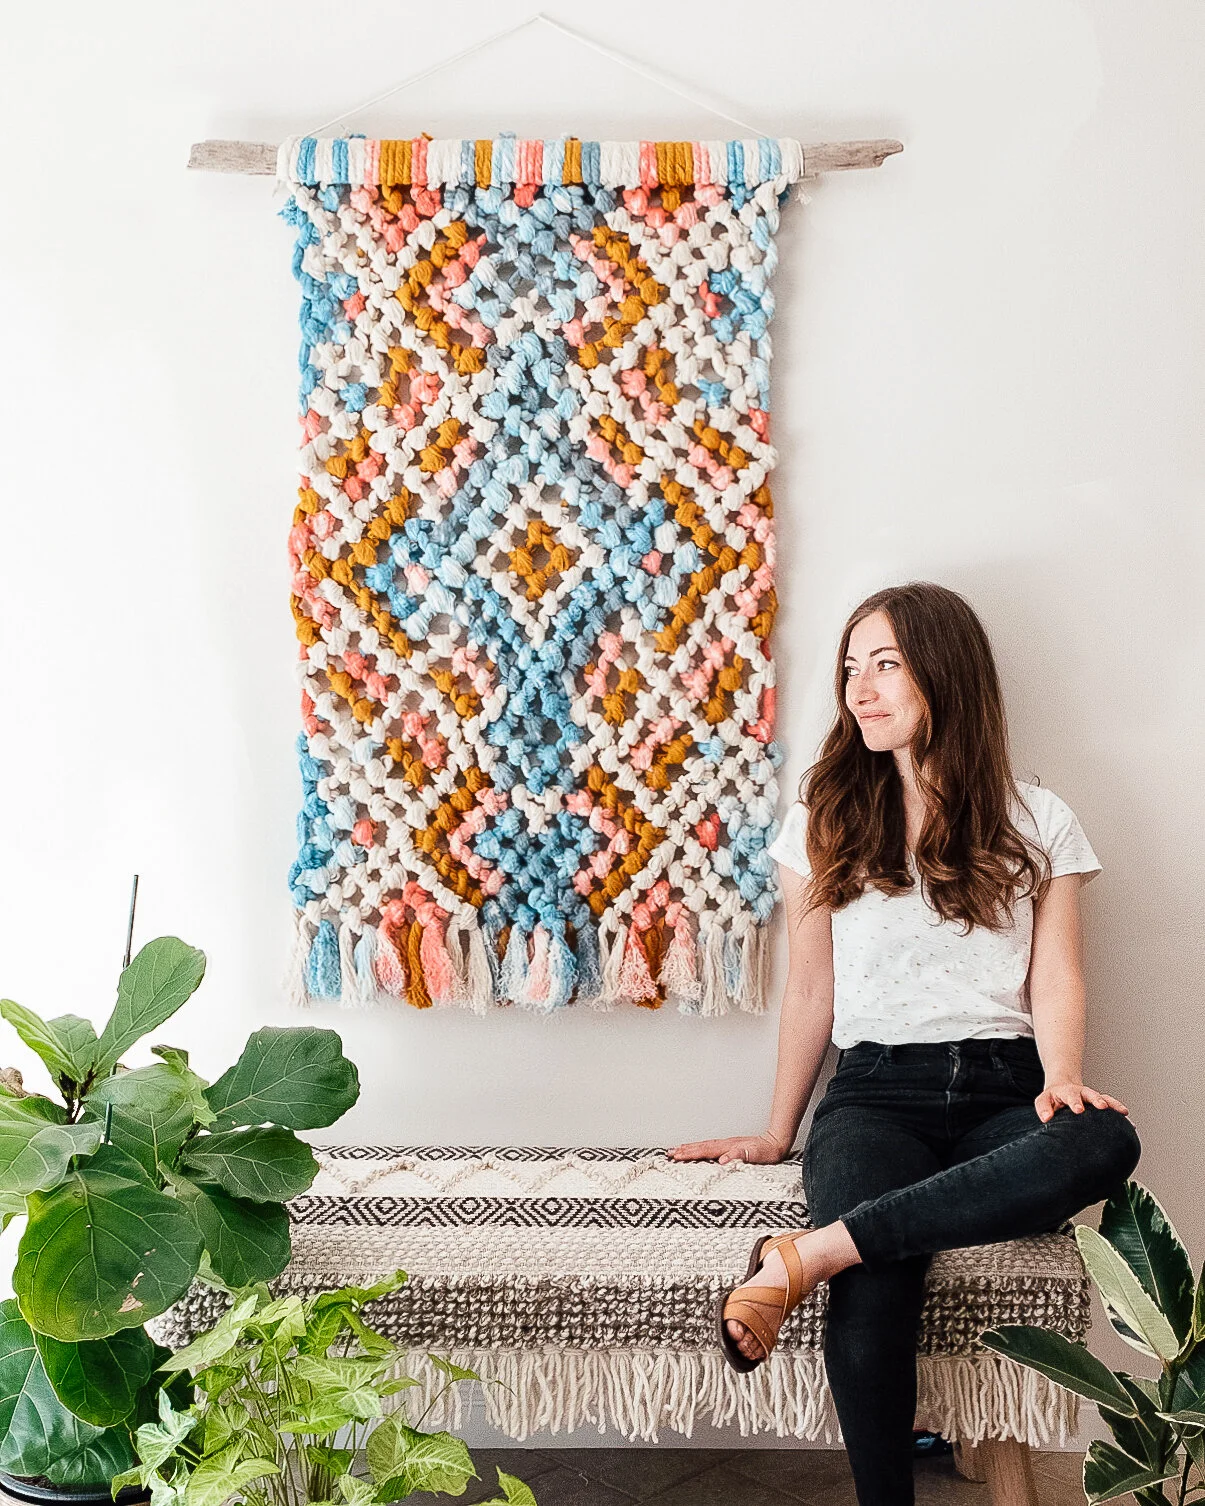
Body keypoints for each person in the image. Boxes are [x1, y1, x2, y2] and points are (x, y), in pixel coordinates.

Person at [668, 581, 1141, 1506]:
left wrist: (1063, 1080)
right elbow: (811, 988)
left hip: (1008, 1089)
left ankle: (803, 1255)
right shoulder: (827, 819)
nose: (862, 689)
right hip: (875, 1094)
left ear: (945, 674)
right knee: (875, 1286)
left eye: (886, 665)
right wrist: (776, 1130)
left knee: (1105, 1139)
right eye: (852, 669)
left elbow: (1055, 976)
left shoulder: (1037, 816)